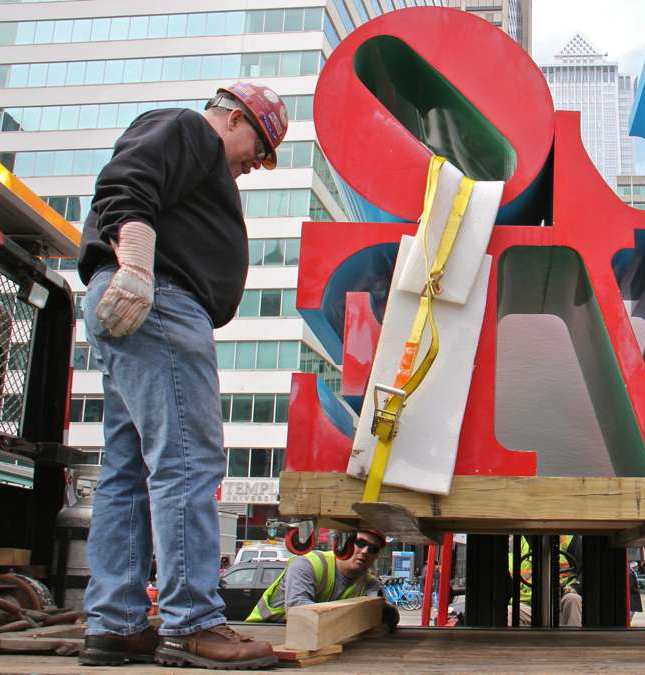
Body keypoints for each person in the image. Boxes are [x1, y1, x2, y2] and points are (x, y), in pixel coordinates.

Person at [76, 82, 289, 670]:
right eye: (258, 147)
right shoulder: (189, 129)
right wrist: (139, 264)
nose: (253, 165)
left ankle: (116, 622)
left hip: (140, 303)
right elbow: (126, 183)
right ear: (235, 118)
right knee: (188, 461)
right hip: (159, 300)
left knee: (126, 470)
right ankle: (192, 621)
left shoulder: (195, 150)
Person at [245, 528, 400, 630]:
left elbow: (385, 617)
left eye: (373, 549)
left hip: (315, 638)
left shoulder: (369, 583)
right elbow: (299, 612)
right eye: (360, 543)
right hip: (265, 630)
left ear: (376, 557)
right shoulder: (309, 564)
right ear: (343, 543)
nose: (365, 551)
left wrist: (385, 611)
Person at [509, 535, 582, 627]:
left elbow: (584, 570)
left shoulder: (569, 538)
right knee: (509, 613)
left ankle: (573, 640)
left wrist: (574, 588)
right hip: (527, 604)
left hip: (562, 600)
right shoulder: (513, 542)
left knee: (573, 600)